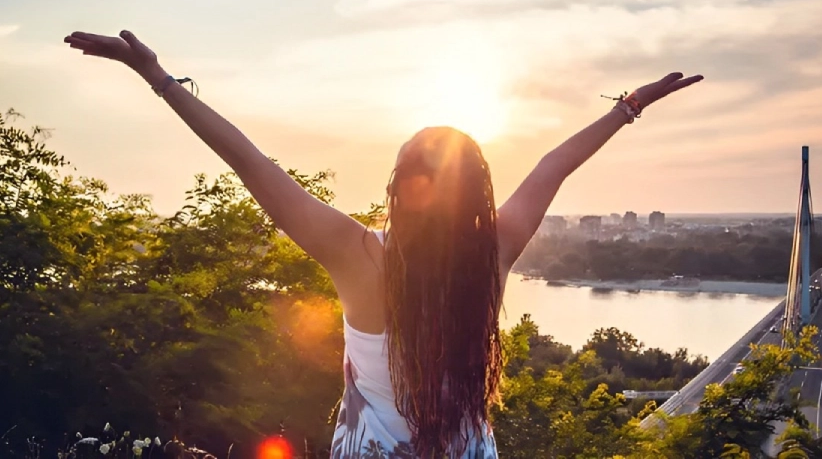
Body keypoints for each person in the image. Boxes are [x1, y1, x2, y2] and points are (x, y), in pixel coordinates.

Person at [64, 30, 702, 458]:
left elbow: (251, 165)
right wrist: (626, 109)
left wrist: (156, 77)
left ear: (399, 189)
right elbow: (552, 166)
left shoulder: (356, 255)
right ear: (475, 197)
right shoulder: (494, 252)